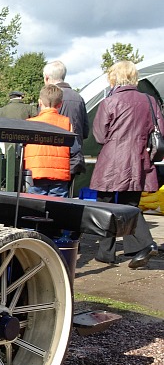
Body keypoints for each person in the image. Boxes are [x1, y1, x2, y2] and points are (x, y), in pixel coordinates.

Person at [90, 60, 162, 268]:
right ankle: (134, 248)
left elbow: (99, 136)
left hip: (113, 159)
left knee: (105, 205)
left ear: (113, 78)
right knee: (130, 205)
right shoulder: (150, 101)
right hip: (139, 158)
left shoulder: (110, 102)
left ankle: (112, 251)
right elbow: (160, 131)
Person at [43, 60, 89, 192]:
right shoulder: (79, 98)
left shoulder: (47, 98)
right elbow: (85, 131)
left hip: (52, 159)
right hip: (74, 158)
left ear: (47, 78)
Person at [24, 85, 72, 197]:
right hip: (60, 174)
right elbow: (73, 146)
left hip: (36, 172)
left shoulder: (30, 123)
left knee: (35, 207)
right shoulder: (67, 123)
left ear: (40, 102)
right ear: (60, 104)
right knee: (57, 209)